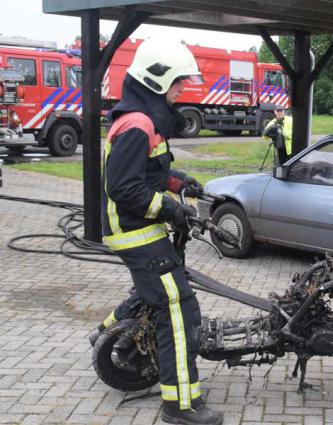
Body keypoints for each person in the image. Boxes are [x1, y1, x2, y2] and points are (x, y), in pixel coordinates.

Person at [90, 37, 223, 425]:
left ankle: (105, 334)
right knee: (178, 309)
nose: (184, 88)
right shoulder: (138, 123)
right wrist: (170, 209)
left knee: (155, 294)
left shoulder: (146, 118)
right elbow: (124, 187)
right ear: (157, 78)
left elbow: (152, 173)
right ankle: (181, 404)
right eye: (179, 81)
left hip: (142, 230)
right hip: (135, 233)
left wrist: (181, 184)